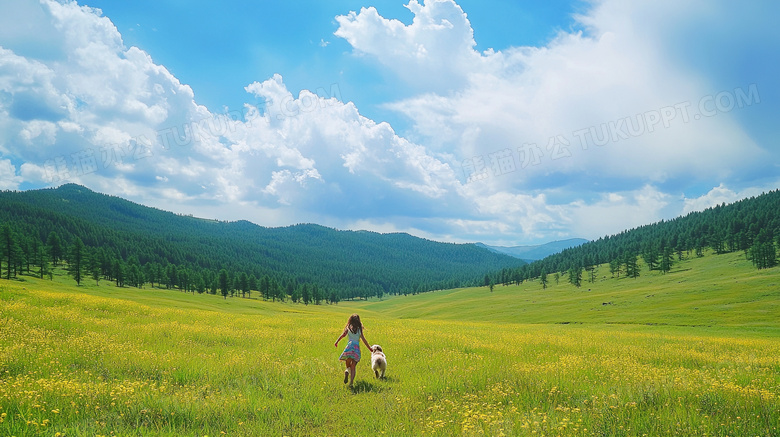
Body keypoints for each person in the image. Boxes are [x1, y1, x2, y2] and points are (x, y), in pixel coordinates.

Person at [334, 313, 372, 387]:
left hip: (349, 347)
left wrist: (337, 341)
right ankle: (351, 382)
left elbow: (342, 335)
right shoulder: (359, 329)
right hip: (356, 349)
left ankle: (347, 371)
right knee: (353, 365)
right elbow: (364, 340)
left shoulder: (348, 327)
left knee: (348, 363)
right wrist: (369, 348)